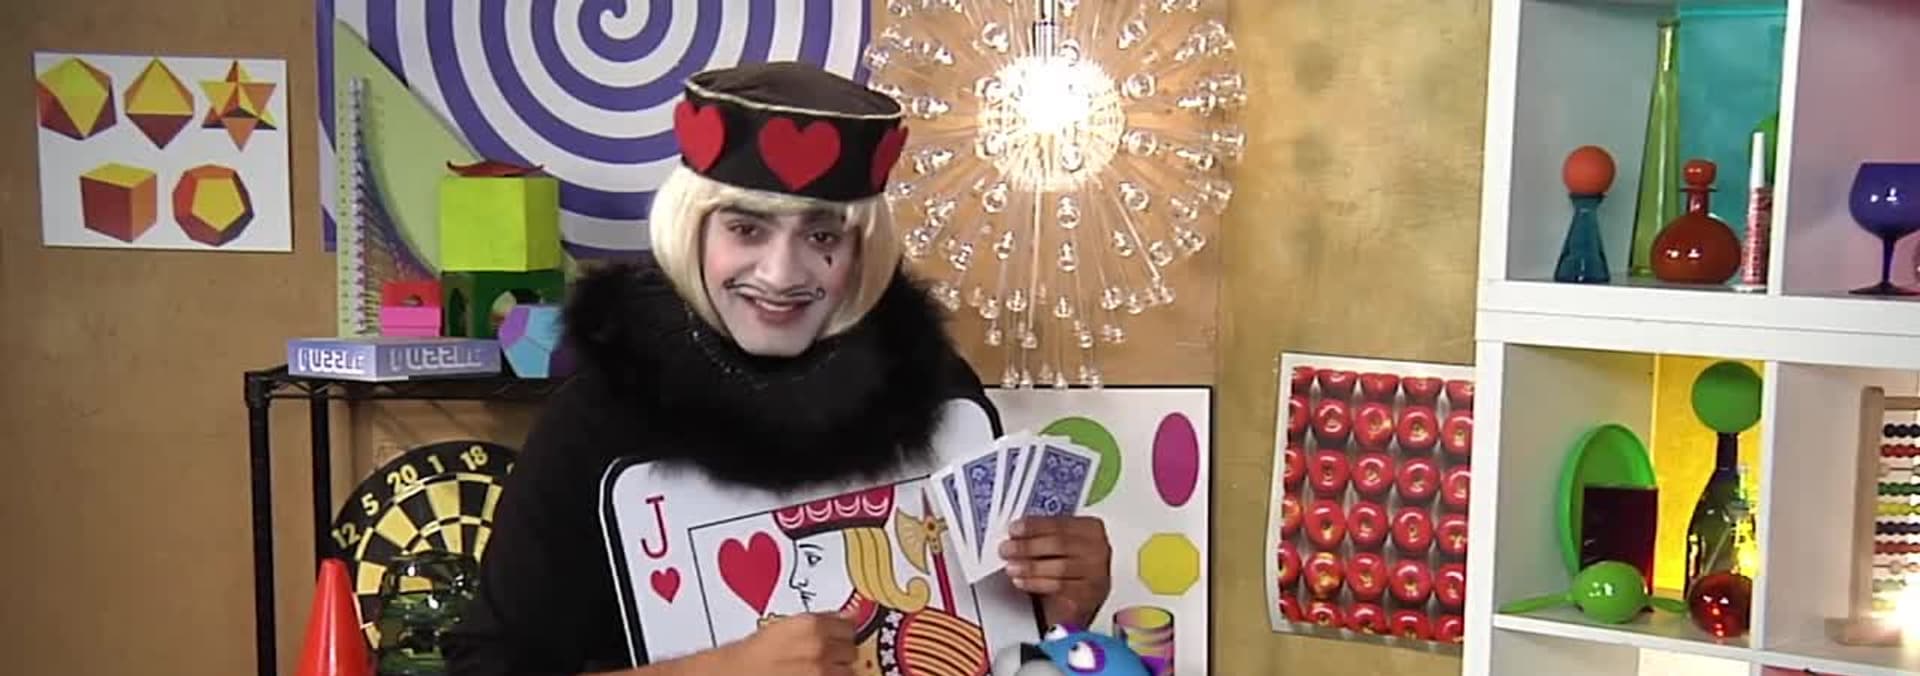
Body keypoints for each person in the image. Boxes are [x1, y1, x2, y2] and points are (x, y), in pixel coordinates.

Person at [445, 61, 1114, 676]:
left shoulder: (935, 392)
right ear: (693, 228)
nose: (781, 274)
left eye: (822, 236)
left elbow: (1000, 646)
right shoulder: (594, 422)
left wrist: (1058, 613)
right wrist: (720, 671)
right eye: (746, 229)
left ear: (863, 248)